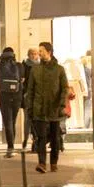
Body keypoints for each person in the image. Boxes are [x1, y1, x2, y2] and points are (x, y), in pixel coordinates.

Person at [25, 41, 67, 174]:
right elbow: (30, 90)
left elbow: (64, 89)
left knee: (55, 138)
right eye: (38, 51)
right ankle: (42, 163)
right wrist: (29, 108)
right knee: (41, 138)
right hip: (39, 109)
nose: (39, 53)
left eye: (41, 51)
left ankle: (53, 163)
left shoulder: (59, 69)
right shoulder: (35, 70)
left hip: (55, 110)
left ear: (49, 52)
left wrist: (61, 105)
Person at [0, 47, 24, 157]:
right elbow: (22, 80)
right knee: (12, 121)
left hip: (4, 96)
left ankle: (10, 147)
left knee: (7, 121)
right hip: (17, 96)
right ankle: (11, 146)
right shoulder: (19, 66)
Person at [21, 47, 39, 150]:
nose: (34, 55)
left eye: (36, 53)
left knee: (36, 119)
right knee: (27, 119)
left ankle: (35, 140)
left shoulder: (40, 65)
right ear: (28, 55)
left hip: (37, 97)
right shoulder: (25, 65)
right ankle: (25, 139)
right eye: (32, 53)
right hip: (28, 96)